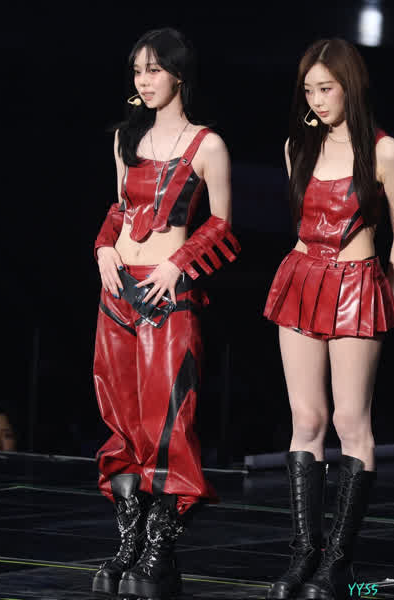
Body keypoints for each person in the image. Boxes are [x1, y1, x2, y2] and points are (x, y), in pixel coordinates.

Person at [91, 28, 240, 600]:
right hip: (117, 291)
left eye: (154, 69)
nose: (144, 80)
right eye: (137, 71)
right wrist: (103, 248)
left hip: (167, 295)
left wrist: (179, 264)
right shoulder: (126, 137)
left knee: (168, 423)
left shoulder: (208, 144)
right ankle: (129, 546)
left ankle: (160, 550)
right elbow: (119, 209)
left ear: (179, 73)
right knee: (122, 420)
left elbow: (222, 224)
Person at [264, 39, 394, 600]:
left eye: (327, 88)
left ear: (350, 86)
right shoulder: (299, 145)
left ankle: (338, 562)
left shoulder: (384, 151)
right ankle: (303, 556)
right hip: (301, 277)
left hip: (357, 284)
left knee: (350, 420)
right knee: (306, 417)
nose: (316, 100)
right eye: (309, 90)